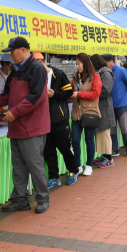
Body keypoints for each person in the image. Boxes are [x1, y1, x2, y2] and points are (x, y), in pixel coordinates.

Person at [0, 37, 50, 214]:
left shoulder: (37, 68)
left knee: (35, 164)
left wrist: (15, 111)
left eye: (12, 52)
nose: (10, 56)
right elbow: (6, 95)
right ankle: (20, 199)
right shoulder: (15, 70)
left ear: (23, 49)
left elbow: (36, 97)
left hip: (32, 127)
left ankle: (43, 198)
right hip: (16, 127)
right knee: (18, 166)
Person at [32, 52, 77, 187]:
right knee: (48, 150)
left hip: (59, 119)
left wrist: (54, 94)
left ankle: (73, 170)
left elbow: (69, 93)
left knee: (64, 147)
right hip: (43, 120)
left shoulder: (58, 73)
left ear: (41, 62)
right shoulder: (35, 77)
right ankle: (54, 176)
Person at [70, 53, 101, 176]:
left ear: (85, 63)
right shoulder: (76, 77)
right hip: (76, 113)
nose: (77, 66)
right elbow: (71, 90)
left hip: (90, 113)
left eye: (79, 64)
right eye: (76, 64)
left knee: (89, 140)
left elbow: (95, 94)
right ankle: (78, 165)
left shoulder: (95, 77)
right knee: (75, 140)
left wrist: (79, 94)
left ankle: (89, 165)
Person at [103, 54, 127, 158]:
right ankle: (115, 149)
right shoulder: (105, 73)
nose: (104, 65)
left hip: (122, 105)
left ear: (111, 61)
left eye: (105, 62)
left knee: (124, 127)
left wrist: (126, 95)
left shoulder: (121, 71)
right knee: (112, 129)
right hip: (110, 106)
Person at [90, 54, 117, 167]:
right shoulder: (101, 73)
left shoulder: (106, 73)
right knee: (101, 133)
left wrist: (92, 94)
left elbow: (106, 90)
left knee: (105, 133)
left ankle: (109, 159)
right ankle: (104, 156)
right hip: (101, 106)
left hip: (105, 107)